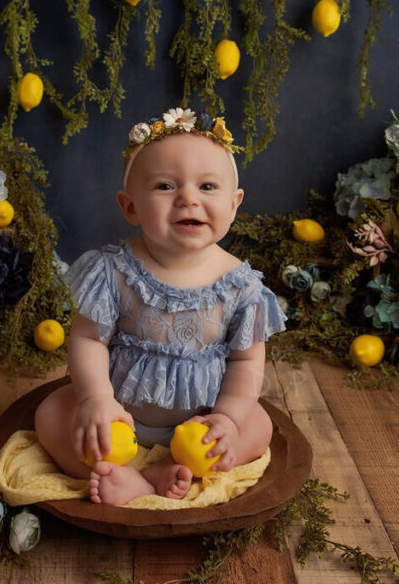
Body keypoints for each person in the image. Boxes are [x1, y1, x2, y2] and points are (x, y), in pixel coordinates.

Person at [34, 107, 286, 506]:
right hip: (121, 418)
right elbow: (87, 340)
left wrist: (229, 419)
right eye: (166, 186)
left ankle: (169, 468)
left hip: (198, 424)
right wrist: (96, 399)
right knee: (50, 414)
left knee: (260, 425)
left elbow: (247, 363)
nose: (188, 197)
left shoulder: (242, 286)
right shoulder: (114, 271)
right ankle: (129, 473)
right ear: (130, 206)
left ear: (234, 204)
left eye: (207, 186)